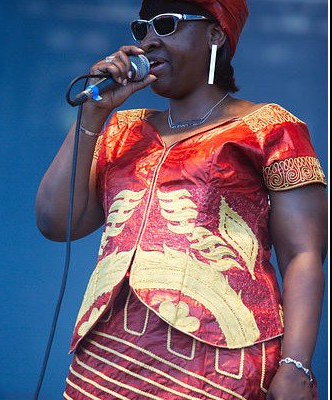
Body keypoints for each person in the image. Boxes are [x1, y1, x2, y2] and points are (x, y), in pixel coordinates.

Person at [36, 0, 327, 399]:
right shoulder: (122, 129)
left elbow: (303, 255)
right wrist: (92, 116)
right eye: (143, 30)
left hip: (218, 360)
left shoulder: (270, 128)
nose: (150, 41)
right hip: (107, 358)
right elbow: (56, 222)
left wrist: (297, 366)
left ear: (214, 34)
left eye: (167, 25)